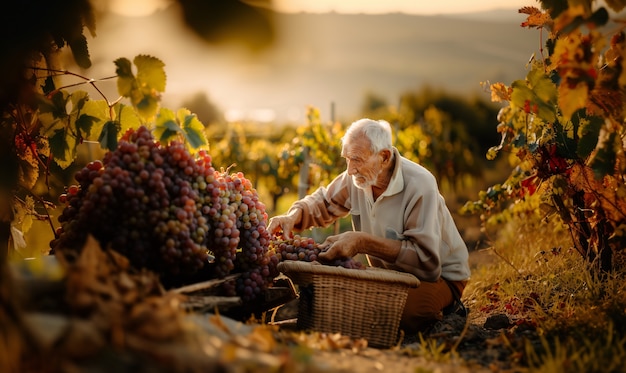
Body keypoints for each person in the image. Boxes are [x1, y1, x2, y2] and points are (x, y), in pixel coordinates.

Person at [267, 118, 470, 333]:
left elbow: (426, 263)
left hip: (440, 277)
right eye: (347, 159)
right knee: (343, 302)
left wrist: (362, 242)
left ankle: (450, 310)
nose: (351, 169)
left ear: (384, 157)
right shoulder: (357, 178)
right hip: (389, 276)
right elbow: (324, 203)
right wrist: (292, 216)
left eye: (357, 160)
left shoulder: (420, 185)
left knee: (401, 314)